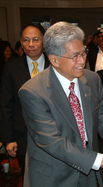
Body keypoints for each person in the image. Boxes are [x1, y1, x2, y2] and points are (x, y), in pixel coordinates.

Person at [18, 21, 103, 187]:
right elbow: (54, 142)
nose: (82, 60)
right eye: (75, 56)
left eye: (83, 53)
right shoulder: (33, 92)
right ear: (54, 60)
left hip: (89, 174)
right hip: (54, 176)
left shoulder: (92, 80)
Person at [0, 23, 50, 178]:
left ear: (43, 41)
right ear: (21, 43)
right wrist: (8, 139)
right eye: (26, 40)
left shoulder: (55, 65)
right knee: (29, 177)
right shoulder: (11, 67)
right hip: (22, 136)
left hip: (53, 134)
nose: (31, 44)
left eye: (35, 39)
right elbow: (5, 105)